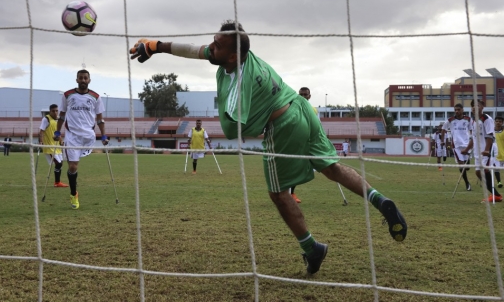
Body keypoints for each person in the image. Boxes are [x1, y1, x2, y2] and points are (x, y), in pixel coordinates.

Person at [129, 20, 407, 275]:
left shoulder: (239, 81)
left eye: (217, 45)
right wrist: (155, 46)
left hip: (283, 124)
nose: (210, 48)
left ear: (233, 57)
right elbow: (193, 49)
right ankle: (381, 201)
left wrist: (254, 127)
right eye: (213, 41)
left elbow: (236, 129)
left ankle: (313, 249)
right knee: (331, 168)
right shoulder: (236, 54)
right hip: (301, 107)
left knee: (278, 194)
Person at [55, 70, 109, 209]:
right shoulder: (67, 95)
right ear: (77, 80)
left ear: (89, 80)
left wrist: (103, 135)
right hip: (72, 135)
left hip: (88, 136)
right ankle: (74, 194)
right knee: (73, 166)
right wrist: (57, 131)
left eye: (85, 78)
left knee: (75, 165)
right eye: (81, 78)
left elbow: (100, 119)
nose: (83, 80)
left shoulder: (96, 97)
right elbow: (61, 115)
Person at [465, 100, 501, 202]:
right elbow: (473, 137)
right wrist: (467, 149)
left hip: (487, 150)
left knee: (484, 171)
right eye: (472, 106)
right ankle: (495, 194)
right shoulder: (474, 120)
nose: (474, 108)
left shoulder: (486, 119)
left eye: (477, 105)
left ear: (482, 107)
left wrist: (486, 150)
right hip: (478, 151)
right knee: (478, 172)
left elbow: (490, 135)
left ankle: (496, 195)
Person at [290, 87, 318, 204]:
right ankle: (290, 194)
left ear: (309, 96)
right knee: (292, 169)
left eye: (305, 94)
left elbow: (315, 126)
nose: (303, 96)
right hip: (293, 142)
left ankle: (290, 193)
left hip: (308, 142)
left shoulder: (313, 110)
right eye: (301, 94)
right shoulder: (292, 108)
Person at [442, 104, 472, 191]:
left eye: (458, 109)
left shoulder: (468, 119)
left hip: (467, 145)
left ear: (462, 110)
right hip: (456, 146)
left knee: (467, 167)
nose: (457, 111)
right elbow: (443, 129)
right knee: (461, 165)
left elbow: (472, 130)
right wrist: (442, 140)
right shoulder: (450, 120)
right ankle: (467, 183)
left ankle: (468, 162)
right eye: (455, 110)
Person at [39, 104, 68, 188]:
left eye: (56, 111)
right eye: (53, 111)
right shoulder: (46, 119)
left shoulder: (57, 120)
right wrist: (41, 141)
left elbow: (57, 133)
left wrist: (61, 141)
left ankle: (58, 182)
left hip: (57, 147)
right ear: (50, 111)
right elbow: (41, 131)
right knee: (58, 164)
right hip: (49, 147)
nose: (55, 112)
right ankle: (57, 182)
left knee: (60, 163)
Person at [494, 116, 504, 188]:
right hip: (495, 154)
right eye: (497, 121)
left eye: (500, 121)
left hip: (503, 153)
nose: (498, 123)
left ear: (502, 123)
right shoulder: (491, 132)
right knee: (496, 169)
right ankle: (499, 182)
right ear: (494, 122)